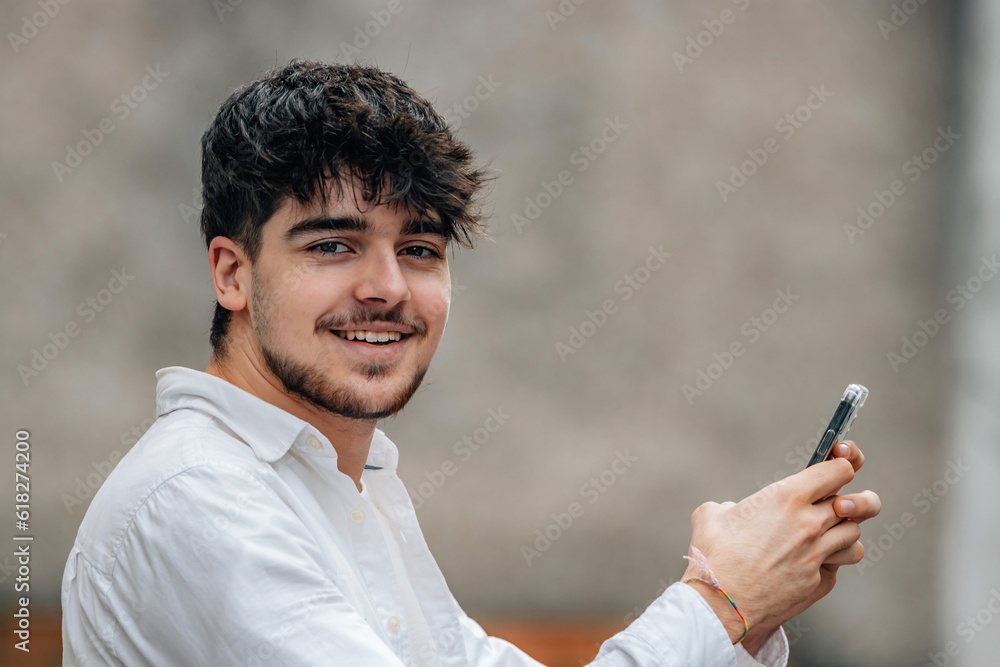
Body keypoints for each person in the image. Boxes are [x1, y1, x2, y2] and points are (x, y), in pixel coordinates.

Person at [61, 59, 881, 666]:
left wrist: (756, 601)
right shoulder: (200, 498)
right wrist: (720, 601)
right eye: (334, 244)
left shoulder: (341, 481)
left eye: (419, 249)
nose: (387, 287)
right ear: (232, 273)